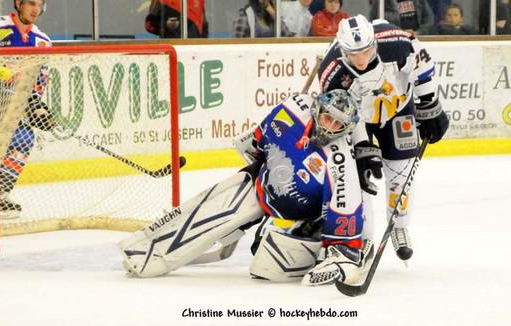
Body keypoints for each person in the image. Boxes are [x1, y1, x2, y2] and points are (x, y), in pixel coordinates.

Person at [120, 90, 376, 286]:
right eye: (327, 117)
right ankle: (143, 249)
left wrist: (339, 253)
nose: (330, 126)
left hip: (299, 217)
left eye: (338, 124)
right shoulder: (294, 108)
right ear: (317, 109)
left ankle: (287, 236)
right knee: (203, 214)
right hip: (260, 186)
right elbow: (257, 142)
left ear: (348, 128)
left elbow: (343, 224)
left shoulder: (340, 163)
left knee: (266, 268)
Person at [318, 14, 449, 262]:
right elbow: (344, 114)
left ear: (374, 43)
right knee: (359, 178)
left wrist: (429, 103)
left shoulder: (398, 42)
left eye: (365, 51)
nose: (359, 60)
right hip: (359, 120)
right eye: (352, 53)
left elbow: (422, 68)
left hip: (398, 108)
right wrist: (363, 145)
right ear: (341, 49)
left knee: (402, 170)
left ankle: (399, 225)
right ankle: (364, 237)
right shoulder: (332, 71)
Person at [0, 0, 53, 219]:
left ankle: (0, 195)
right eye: (30, 3)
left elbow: (39, 80)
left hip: (10, 108)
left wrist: (37, 106)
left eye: (39, 4)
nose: (35, 9)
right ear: (18, 3)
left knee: (24, 138)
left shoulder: (43, 42)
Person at [370, 0, 434, 35]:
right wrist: (400, 33)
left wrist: (418, 33)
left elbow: (428, 19)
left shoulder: (420, 1)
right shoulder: (382, 2)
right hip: (394, 40)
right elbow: (375, 21)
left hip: (418, 41)